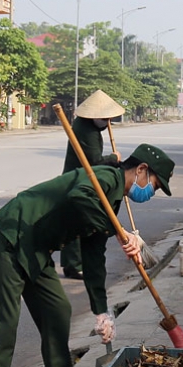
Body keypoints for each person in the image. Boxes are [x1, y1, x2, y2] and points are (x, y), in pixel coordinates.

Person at [0, 144, 176, 367]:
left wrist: (102, 311)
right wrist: (120, 231)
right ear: (141, 170)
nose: (150, 193)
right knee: (2, 326)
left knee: (58, 311)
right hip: (11, 238)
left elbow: (93, 256)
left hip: (37, 249)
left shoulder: (112, 197)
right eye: (154, 185)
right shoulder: (104, 178)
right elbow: (80, 198)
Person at [60, 90, 124, 280]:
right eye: (105, 118)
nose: (108, 122)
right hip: (77, 179)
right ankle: (73, 265)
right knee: (76, 224)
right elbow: (94, 161)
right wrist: (114, 158)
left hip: (81, 178)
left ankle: (74, 264)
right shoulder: (86, 130)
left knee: (79, 223)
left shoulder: (90, 127)